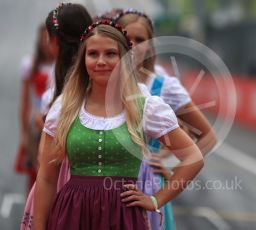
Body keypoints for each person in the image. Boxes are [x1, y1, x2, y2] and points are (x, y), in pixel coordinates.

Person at [33, 19, 204, 230]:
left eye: (110, 54)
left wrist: (155, 200)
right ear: (83, 60)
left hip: (123, 217)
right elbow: (46, 178)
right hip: (73, 214)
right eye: (93, 54)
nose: (101, 61)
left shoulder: (145, 107)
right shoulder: (65, 107)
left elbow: (193, 157)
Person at [114, 9, 217, 229]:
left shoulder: (164, 87)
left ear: (150, 46)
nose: (132, 45)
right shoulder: (101, 84)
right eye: (126, 37)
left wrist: (168, 164)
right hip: (105, 183)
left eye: (140, 40)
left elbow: (207, 135)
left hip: (146, 184)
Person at [20, 3, 93, 230]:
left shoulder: (57, 97)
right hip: (99, 192)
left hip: (66, 187)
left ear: (55, 42)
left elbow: (46, 168)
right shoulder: (108, 87)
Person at [16, 23, 55, 193]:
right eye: (43, 39)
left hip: (54, 122)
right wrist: (24, 134)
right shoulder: (31, 64)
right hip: (36, 124)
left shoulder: (63, 65)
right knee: (34, 173)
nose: (46, 43)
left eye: (50, 39)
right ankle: (30, 214)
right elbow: (25, 101)